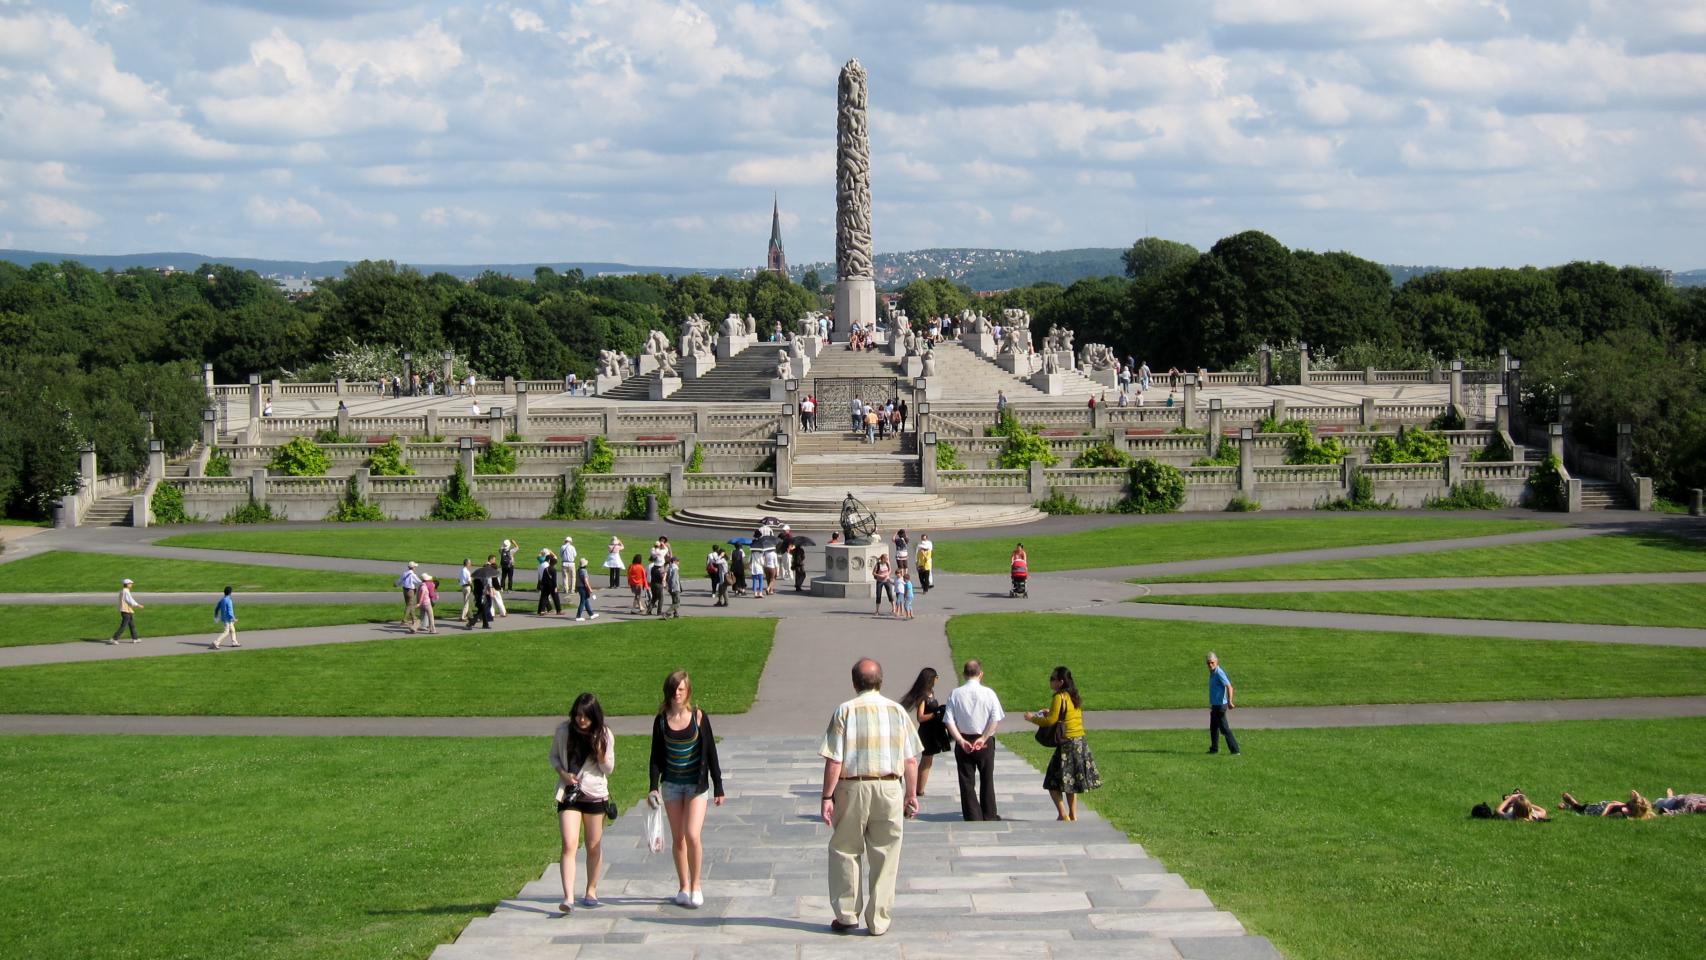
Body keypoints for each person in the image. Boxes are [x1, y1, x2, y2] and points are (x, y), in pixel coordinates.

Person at [819, 658, 922, 936]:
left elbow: (834, 760)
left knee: (845, 850)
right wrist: (911, 794)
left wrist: (827, 796)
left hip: (853, 786)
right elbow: (911, 760)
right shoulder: (897, 711)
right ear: (881, 680)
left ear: (855, 683)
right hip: (889, 786)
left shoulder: (845, 710)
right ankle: (878, 920)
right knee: (886, 854)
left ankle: (847, 915)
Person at [647, 671, 727, 908]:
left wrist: (718, 787)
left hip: (696, 785)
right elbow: (655, 757)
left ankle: (697, 885)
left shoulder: (699, 717)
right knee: (678, 838)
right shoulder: (661, 720)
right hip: (672, 785)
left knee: (692, 834)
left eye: (681, 689)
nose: (677, 694)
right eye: (673, 689)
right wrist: (653, 787)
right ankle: (683, 886)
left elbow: (711, 751)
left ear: (688, 691)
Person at [550, 692, 615, 914]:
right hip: (570, 794)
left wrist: (599, 751)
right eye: (578, 715)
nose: (581, 720)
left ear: (594, 716)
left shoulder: (604, 734)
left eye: (586, 716)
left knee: (593, 845)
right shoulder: (563, 731)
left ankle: (591, 890)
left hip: (595, 795)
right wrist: (563, 774)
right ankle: (568, 897)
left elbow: (609, 769)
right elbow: (554, 757)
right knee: (569, 843)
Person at [1025, 666, 1102, 821]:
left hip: (1067, 744)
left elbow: (1050, 720)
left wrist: (1032, 718)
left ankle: (1063, 814)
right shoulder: (1073, 695)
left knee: (1052, 782)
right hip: (1080, 742)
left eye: (1052, 679)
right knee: (1070, 781)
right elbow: (1067, 715)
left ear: (1060, 682)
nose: (1050, 681)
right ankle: (1073, 815)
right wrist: (1051, 711)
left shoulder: (1059, 697)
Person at [944, 659, 1005, 821]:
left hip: (964, 740)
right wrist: (984, 737)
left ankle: (973, 815)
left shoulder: (955, 694)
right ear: (981, 674)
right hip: (984, 741)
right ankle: (989, 813)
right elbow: (995, 719)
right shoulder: (989, 693)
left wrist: (960, 740)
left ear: (964, 674)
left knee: (966, 781)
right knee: (987, 778)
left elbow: (949, 720)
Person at [898, 668, 950, 799]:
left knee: (928, 761)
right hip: (927, 732)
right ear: (931, 679)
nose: (937, 679)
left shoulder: (931, 692)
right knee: (926, 760)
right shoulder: (923, 696)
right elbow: (920, 717)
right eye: (936, 677)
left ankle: (920, 788)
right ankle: (918, 789)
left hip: (933, 731)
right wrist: (935, 713)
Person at [1207, 652, 1239, 755]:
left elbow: (1229, 686)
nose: (1210, 665)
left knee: (1224, 728)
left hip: (1220, 706)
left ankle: (1235, 750)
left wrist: (1230, 701)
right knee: (1214, 728)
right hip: (1215, 705)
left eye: (1212, 663)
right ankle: (1214, 749)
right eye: (1208, 663)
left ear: (1216, 662)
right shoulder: (1213, 673)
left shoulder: (1219, 673)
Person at [1472, 791, 1549, 821]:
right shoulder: (1534, 816)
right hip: (1525, 807)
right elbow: (1543, 811)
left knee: (1508, 805)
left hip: (1511, 807)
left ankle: (1507, 798)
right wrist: (1528, 804)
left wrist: (1511, 798)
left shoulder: (1511, 816)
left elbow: (1498, 811)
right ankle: (1511, 798)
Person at [468, 560, 495, 629]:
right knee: (483, 610)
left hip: (480, 596)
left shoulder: (479, 578)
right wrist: (486, 588)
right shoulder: (482, 579)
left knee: (482, 611)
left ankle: (484, 624)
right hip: (481, 597)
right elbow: (481, 588)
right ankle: (472, 622)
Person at [397, 561, 422, 632]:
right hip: (410, 591)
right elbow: (419, 582)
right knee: (409, 605)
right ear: (413, 567)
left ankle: (414, 618)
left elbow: (399, 580)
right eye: (415, 567)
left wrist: (396, 584)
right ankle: (404, 620)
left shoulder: (405, 573)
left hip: (404, 590)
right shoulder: (413, 575)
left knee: (409, 605)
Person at [573, 557, 598, 622]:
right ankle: (578, 616)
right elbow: (585, 580)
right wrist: (589, 588)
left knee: (585, 600)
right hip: (583, 587)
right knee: (583, 601)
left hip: (579, 587)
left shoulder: (578, 570)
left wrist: (576, 587)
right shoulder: (584, 571)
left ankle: (591, 614)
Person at [871, 552, 895, 617]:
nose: (887, 559)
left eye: (887, 558)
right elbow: (873, 573)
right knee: (878, 595)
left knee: (890, 594)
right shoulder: (878, 564)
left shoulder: (887, 563)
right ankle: (877, 610)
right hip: (880, 581)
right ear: (882, 559)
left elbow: (890, 570)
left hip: (887, 580)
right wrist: (879, 575)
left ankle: (894, 608)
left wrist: (887, 574)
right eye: (886, 558)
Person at [663, 555, 682, 619]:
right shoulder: (675, 568)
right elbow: (674, 579)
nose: (679, 562)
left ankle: (676, 614)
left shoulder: (669, 568)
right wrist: (674, 588)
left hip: (671, 588)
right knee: (677, 603)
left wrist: (668, 587)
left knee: (674, 601)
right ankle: (666, 613)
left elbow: (667, 578)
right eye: (678, 561)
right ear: (674, 561)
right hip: (675, 588)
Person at [459, 558, 476, 625]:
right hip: (467, 587)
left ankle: (469, 615)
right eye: (470, 563)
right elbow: (469, 581)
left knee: (466, 602)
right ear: (467, 564)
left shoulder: (461, 570)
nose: (471, 564)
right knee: (466, 603)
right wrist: (472, 584)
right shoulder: (467, 571)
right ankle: (462, 617)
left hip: (463, 587)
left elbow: (460, 579)